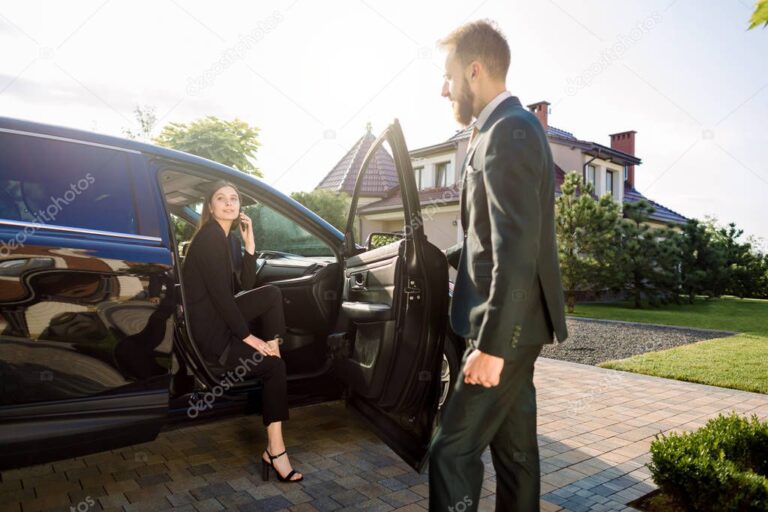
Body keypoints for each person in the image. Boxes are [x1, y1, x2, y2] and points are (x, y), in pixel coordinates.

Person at [428, 20, 568, 511]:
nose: (443, 88)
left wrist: (491, 346)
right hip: (515, 327)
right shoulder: (499, 129)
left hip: (503, 329)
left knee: (450, 452)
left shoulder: (508, 131)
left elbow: (517, 249)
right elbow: (488, 241)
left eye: (448, 76)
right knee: (515, 456)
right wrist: (433, 258)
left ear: (473, 70)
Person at [181, 180, 302, 483]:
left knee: (271, 294)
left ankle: (274, 350)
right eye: (220, 198)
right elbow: (223, 300)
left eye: (233, 199)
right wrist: (249, 337)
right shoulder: (209, 238)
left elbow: (242, 290)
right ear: (210, 207)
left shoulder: (226, 240)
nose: (228, 203)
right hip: (212, 336)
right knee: (275, 368)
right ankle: (275, 453)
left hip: (220, 322)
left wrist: (250, 248)